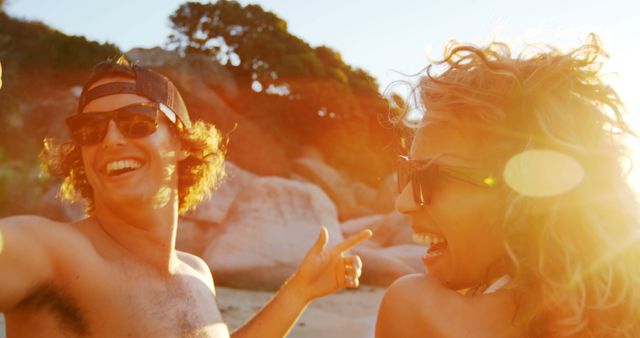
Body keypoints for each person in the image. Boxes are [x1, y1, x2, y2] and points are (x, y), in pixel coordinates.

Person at [0, 56, 371, 337]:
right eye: (90, 129)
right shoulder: (50, 254)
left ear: (179, 142)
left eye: (136, 121)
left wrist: (298, 293)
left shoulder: (197, 273)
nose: (111, 139)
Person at [375, 34, 640, 337]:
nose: (403, 202)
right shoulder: (620, 310)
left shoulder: (416, 308)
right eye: (406, 172)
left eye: (428, 177)